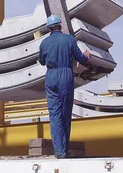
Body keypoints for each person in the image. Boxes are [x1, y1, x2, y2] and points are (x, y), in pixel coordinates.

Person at [38, 15, 91, 159]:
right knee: (65, 114)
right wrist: (86, 56)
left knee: (54, 115)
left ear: (49, 28)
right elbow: (80, 58)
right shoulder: (69, 40)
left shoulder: (44, 43)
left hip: (51, 77)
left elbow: (42, 61)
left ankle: (59, 152)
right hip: (65, 75)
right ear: (60, 25)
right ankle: (64, 149)